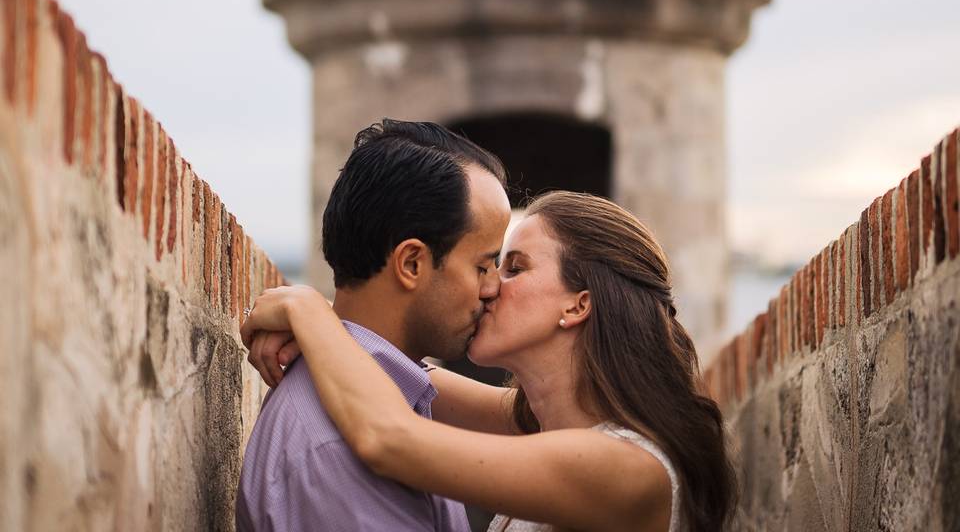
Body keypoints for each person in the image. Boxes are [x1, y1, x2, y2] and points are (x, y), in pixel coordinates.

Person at [243, 191, 738, 532]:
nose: (489, 286)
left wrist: (307, 310)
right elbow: (400, 370)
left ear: (577, 305)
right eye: (490, 264)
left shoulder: (625, 467)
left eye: (514, 267)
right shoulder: (541, 423)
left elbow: (389, 437)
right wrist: (326, 324)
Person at [235, 119, 511, 531]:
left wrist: (315, 316)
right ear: (412, 263)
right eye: (484, 265)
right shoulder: (335, 452)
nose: (494, 289)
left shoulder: (396, 394)